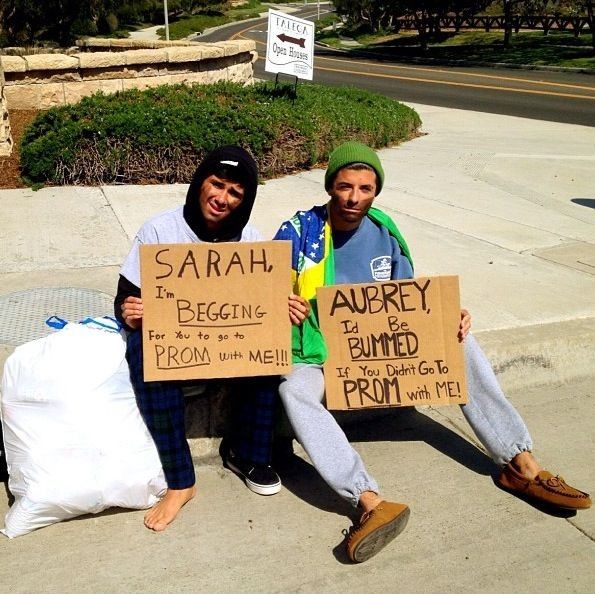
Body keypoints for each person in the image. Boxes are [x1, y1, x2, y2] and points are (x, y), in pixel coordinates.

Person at [273, 141, 591, 563]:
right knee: (293, 389)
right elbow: (264, 288)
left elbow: (409, 302)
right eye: (345, 186)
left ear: (376, 191)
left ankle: (520, 464)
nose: (354, 198)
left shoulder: (385, 233)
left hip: (378, 356)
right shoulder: (299, 231)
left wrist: (443, 316)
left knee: (460, 339)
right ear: (330, 186)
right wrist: (280, 301)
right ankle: (368, 500)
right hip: (319, 354)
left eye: (365, 188)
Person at [114, 146, 307, 532]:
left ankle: (248, 454)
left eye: (235, 192)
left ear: (245, 200)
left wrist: (283, 307)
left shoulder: (251, 239)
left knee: (270, 342)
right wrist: (130, 311)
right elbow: (124, 296)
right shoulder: (159, 229)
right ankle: (181, 481)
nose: (222, 198)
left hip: (228, 342)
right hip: (179, 341)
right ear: (200, 182)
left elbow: (263, 302)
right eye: (216, 184)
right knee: (144, 349)